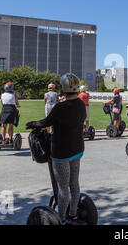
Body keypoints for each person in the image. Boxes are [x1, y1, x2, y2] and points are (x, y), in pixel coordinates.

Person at [26, 73, 86, 225]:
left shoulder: (61, 107)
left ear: (62, 88)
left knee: (63, 187)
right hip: (77, 149)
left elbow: (46, 122)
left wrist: (33, 123)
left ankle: (62, 219)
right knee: (74, 184)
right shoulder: (80, 104)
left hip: (61, 153)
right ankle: (72, 214)